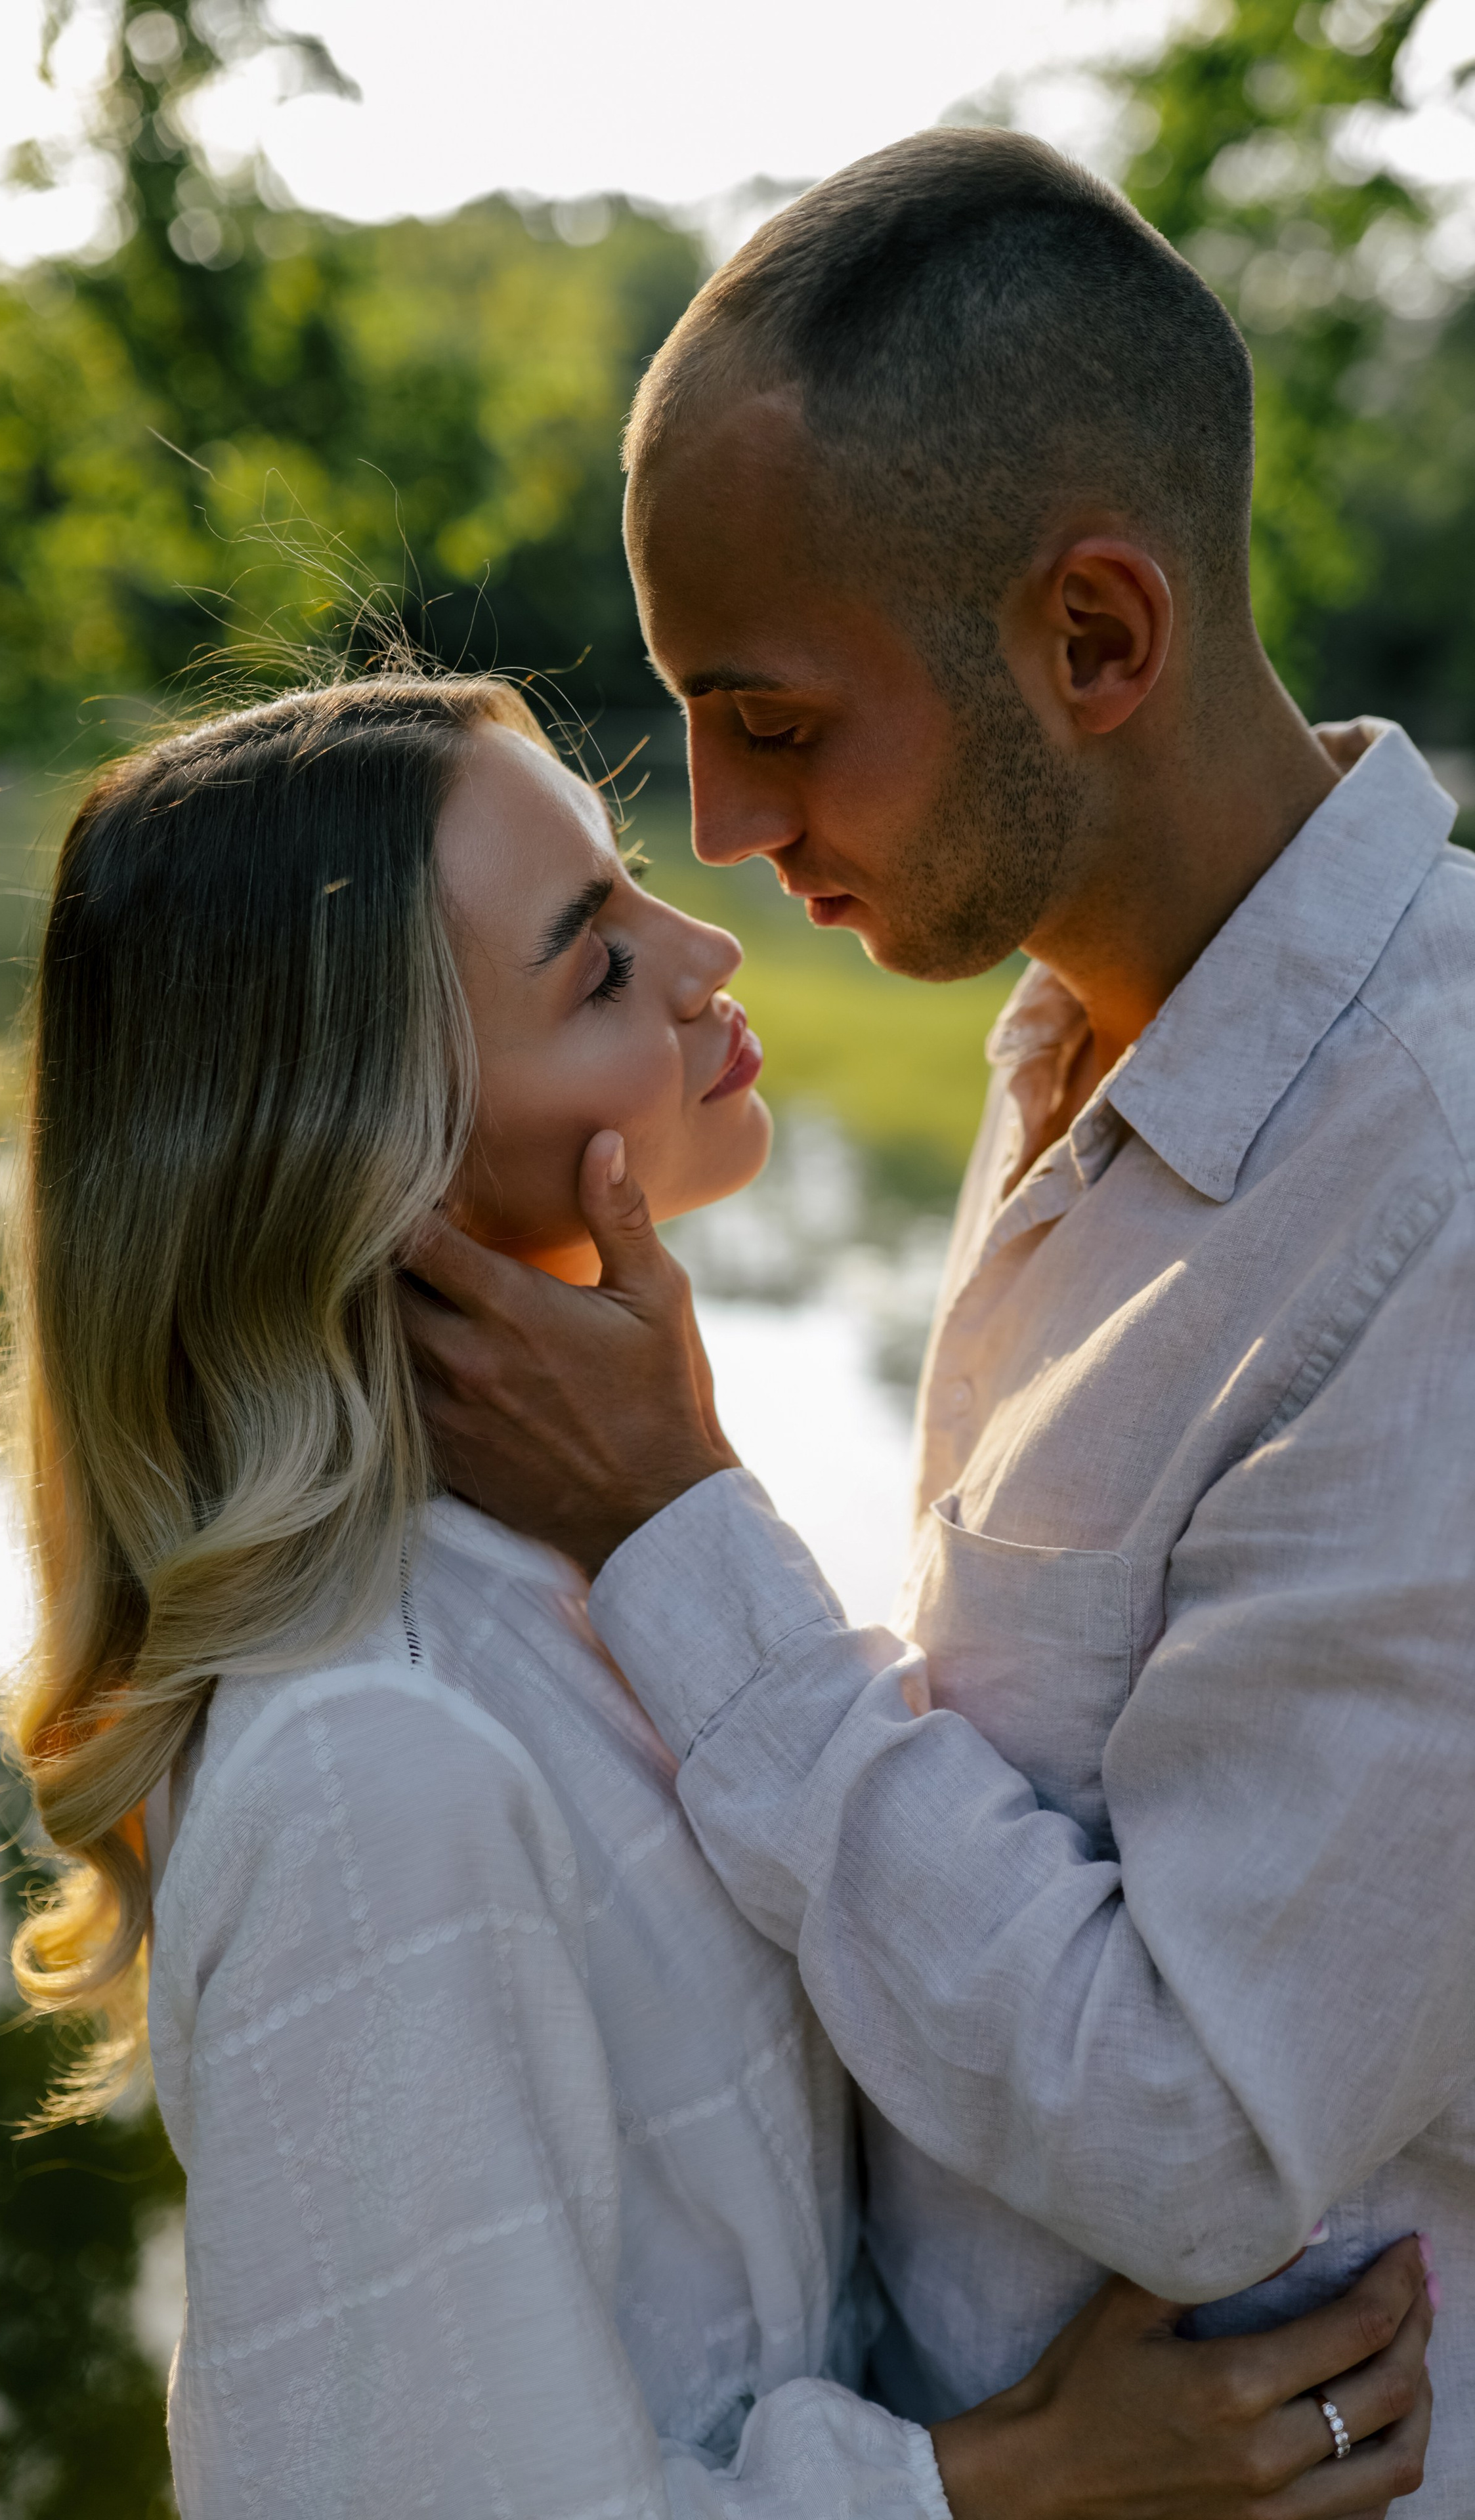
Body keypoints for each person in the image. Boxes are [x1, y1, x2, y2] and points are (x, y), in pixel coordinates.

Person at [0, 677, 1430, 2518]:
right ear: (363, 1158)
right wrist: (1001, 2482)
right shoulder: (368, 1770)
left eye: (637, 884)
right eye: (594, 969)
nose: (705, 949)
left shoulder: (580, 1574)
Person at [402, 131, 1475, 2511]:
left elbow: (1205, 2136)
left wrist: (684, 1527)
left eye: (771, 722)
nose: (719, 830)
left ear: (1095, 640)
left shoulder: (1442, 1199)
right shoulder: (1075, 1041)